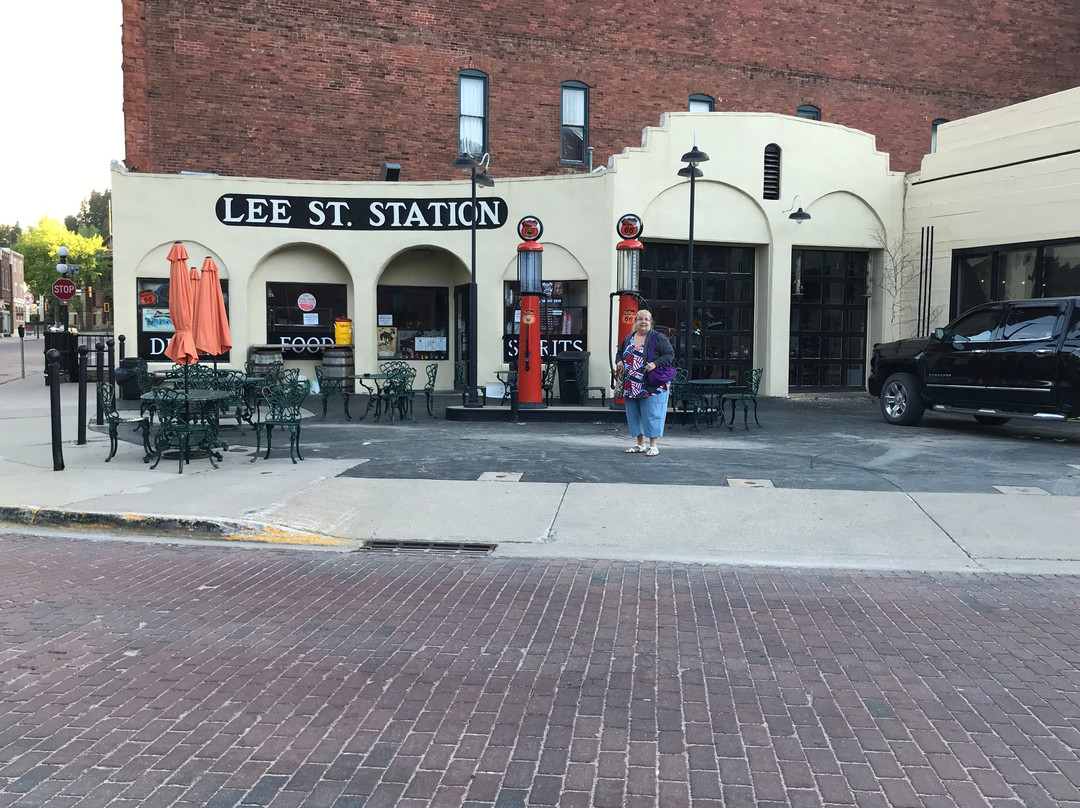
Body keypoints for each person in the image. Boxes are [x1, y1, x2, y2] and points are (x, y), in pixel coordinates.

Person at [614, 308, 674, 456]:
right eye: (640, 319)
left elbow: (669, 354)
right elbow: (619, 353)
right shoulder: (629, 337)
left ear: (651, 322)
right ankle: (640, 444)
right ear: (635, 322)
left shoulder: (658, 337)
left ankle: (653, 446)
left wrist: (654, 364)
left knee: (652, 414)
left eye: (646, 319)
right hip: (631, 384)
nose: (643, 322)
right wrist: (619, 361)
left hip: (651, 384)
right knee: (633, 414)